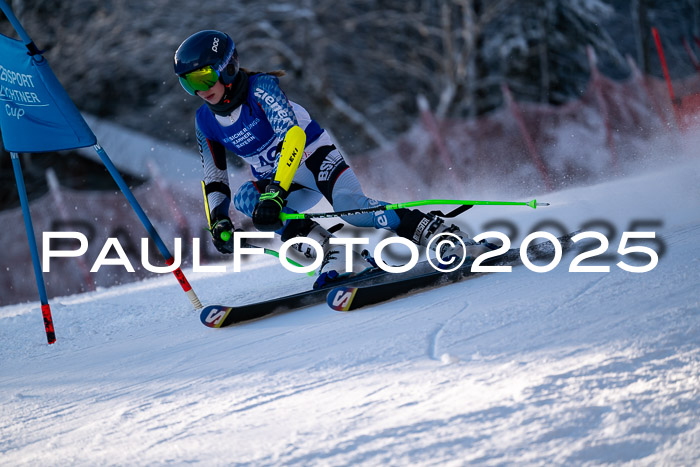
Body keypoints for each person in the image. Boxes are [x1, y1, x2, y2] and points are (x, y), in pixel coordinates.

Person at [173, 30, 489, 287]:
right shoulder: (205, 121)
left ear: (227, 67)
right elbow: (214, 176)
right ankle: (337, 252)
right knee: (247, 200)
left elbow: (293, 137)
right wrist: (218, 220)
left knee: (354, 211)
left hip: (312, 160)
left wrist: (276, 192)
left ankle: (439, 232)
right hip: (277, 184)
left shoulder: (261, 89)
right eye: (189, 84)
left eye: (202, 78)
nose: (199, 90)